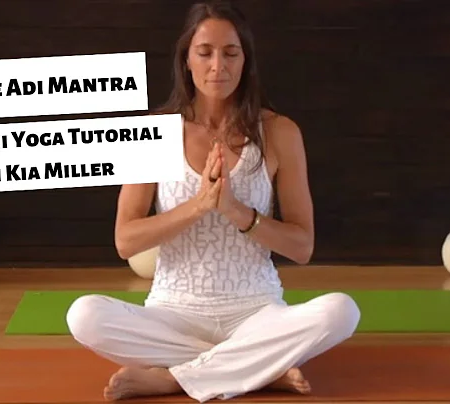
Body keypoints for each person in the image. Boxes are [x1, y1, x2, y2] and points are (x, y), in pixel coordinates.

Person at [65, 1, 361, 402]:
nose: (217, 65)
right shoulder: (153, 131)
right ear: (186, 60)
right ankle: (256, 367)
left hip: (257, 313)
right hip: (172, 313)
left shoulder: (280, 132)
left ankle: (175, 378)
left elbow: (302, 246)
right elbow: (126, 241)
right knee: (84, 315)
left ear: (245, 60)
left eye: (230, 53)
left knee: (342, 311)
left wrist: (236, 212)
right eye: (204, 52)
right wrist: (200, 205)